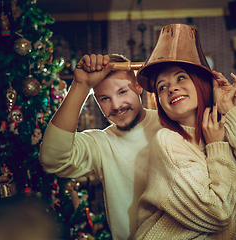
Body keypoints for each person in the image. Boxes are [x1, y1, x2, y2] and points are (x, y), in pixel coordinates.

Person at [133, 23, 236, 239]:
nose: (171, 88)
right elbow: (219, 213)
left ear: (201, 84)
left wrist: (230, 113)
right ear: (160, 102)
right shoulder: (168, 142)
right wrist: (217, 147)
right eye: (162, 87)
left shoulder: (218, 132)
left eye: (181, 77)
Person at [39, 53, 163, 240]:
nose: (116, 106)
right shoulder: (100, 143)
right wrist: (81, 85)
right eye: (104, 98)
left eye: (122, 92)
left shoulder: (168, 123)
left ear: (138, 86)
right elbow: (51, 159)